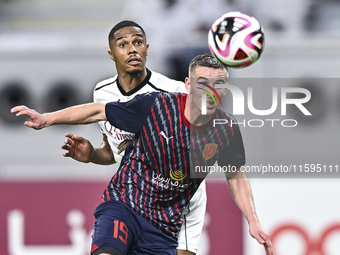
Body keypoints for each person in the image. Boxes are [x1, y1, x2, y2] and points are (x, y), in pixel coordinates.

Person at [12, 53, 273, 255]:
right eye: (202, 82)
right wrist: (47, 119)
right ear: (188, 85)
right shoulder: (156, 105)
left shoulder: (225, 128)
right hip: (125, 204)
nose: (210, 90)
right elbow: (99, 111)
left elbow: (236, 175)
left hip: (164, 226)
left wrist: (253, 220)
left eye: (219, 84)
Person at [63, 20, 206, 255]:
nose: (132, 49)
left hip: (176, 205)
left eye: (138, 42)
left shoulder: (175, 92)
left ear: (146, 49)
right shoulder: (102, 92)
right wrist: (93, 155)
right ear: (112, 53)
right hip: (131, 200)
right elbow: (114, 151)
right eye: (123, 44)